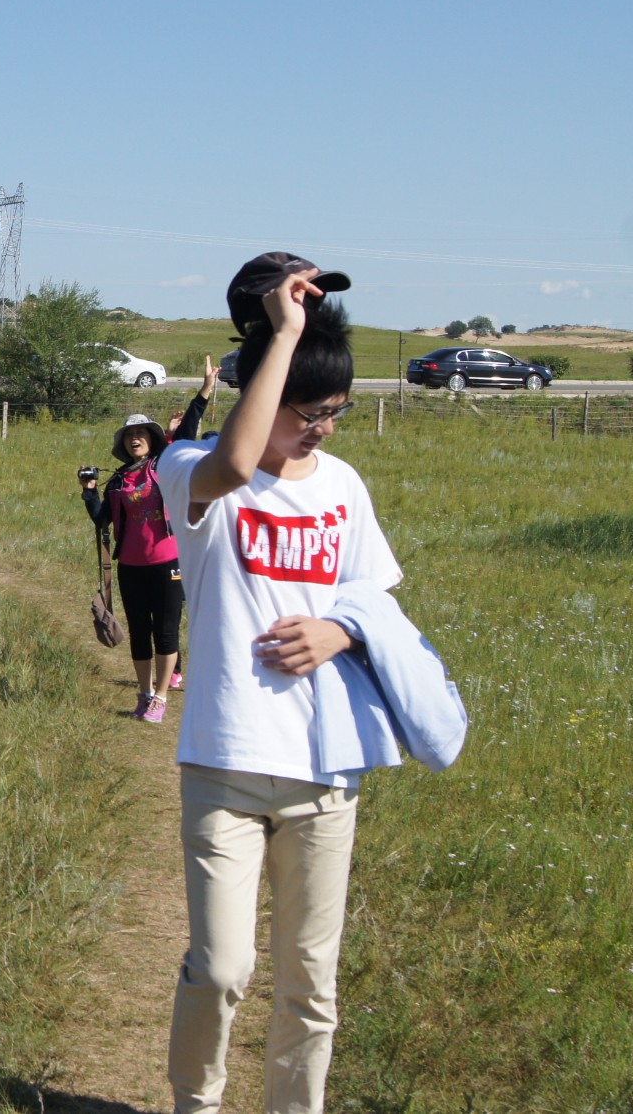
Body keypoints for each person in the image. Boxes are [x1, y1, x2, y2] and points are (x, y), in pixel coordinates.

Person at [154, 252, 399, 1114]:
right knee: (222, 968)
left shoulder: (343, 488)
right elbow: (234, 465)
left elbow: (374, 598)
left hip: (325, 770)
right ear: (261, 392)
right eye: (308, 412)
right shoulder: (190, 469)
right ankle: (196, 1102)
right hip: (225, 763)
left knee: (310, 981)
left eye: (336, 410)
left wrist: (341, 628)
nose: (324, 429)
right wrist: (285, 335)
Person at [84, 358, 218, 721]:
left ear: (153, 439)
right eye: (130, 435)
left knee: (166, 631)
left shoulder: (165, 465)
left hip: (168, 563)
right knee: (140, 632)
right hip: (130, 567)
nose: (135, 439)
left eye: (141, 433)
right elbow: (102, 520)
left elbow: (186, 433)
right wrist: (90, 492)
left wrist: (204, 391)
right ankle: (143, 694)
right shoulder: (118, 480)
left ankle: (161, 696)